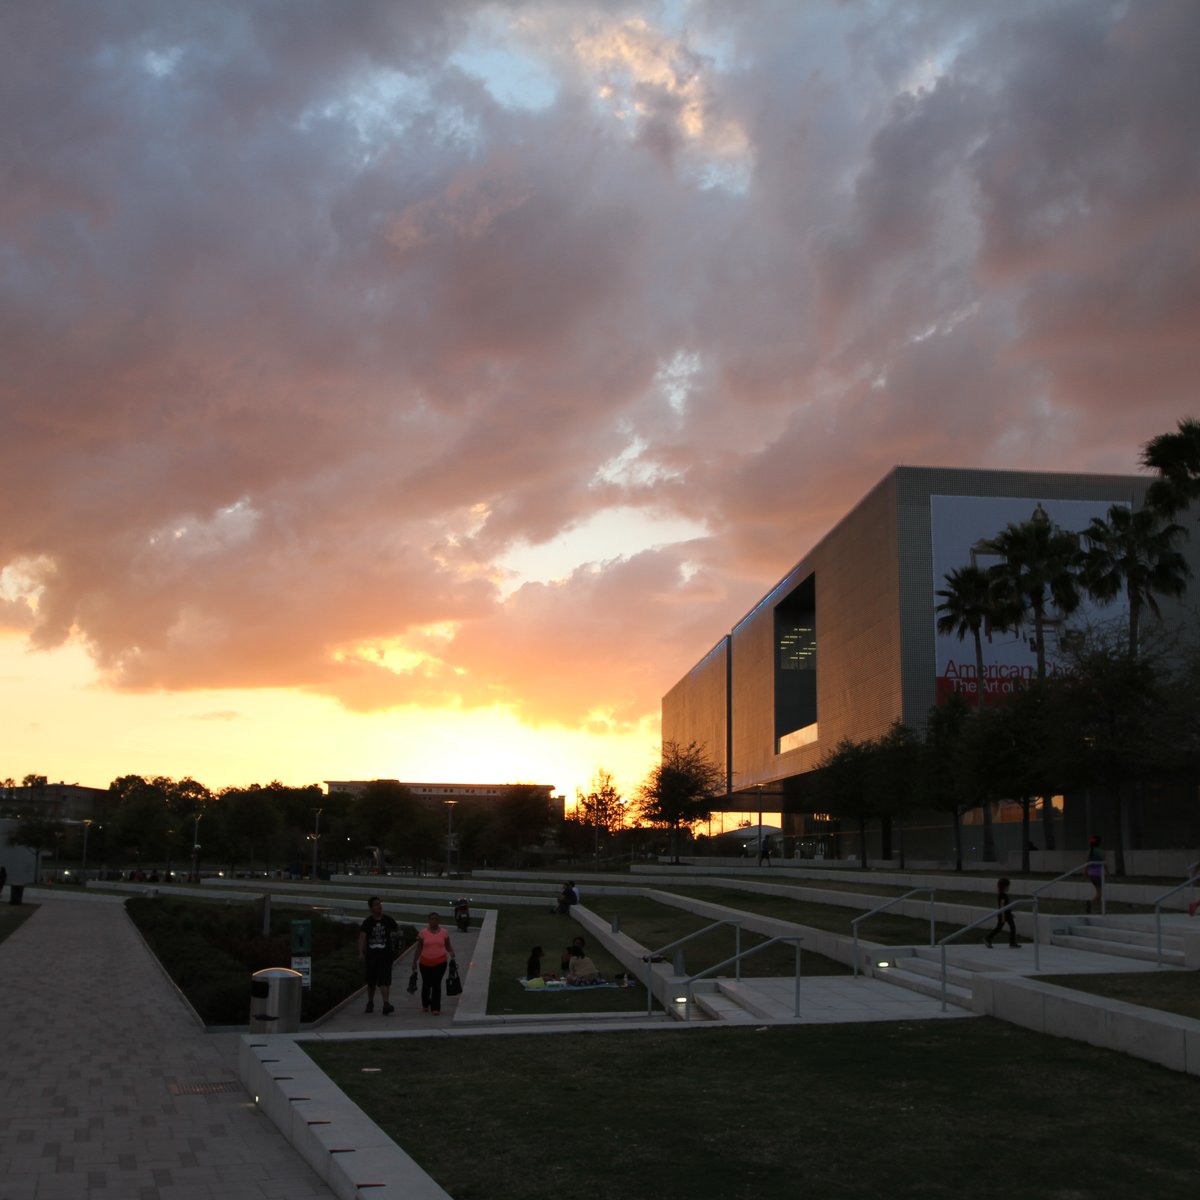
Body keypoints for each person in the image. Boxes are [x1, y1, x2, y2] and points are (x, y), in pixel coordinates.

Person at [358, 895, 399, 1015]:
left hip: (386, 955)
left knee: (385, 980)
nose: (379, 906)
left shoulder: (388, 920)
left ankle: (386, 1003)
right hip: (372, 956)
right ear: (371, 908)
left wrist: (397, 945)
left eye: (380, 903)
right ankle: (370, 1002)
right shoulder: (367, 923)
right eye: (376, 904)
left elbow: (397, 932)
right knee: (371, 982)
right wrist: (361, 952)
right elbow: (362, 938)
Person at [412, 911, 455, 1015]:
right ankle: (425, 1004)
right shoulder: (423, 933)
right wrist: (414, 961)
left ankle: (436, 1008)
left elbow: (448, 945)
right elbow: (419, 948)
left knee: (436, 984)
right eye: (432, 919)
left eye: (436, 919)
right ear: (429, 920)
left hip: (440, 962)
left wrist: (451, 953)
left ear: (439, 920)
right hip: (425, 963)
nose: (434, 921)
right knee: (426, 984)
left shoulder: (444, 932)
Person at [984, 877, 1019, 949]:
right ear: (1004, 886)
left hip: (1007, 914)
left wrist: (1010, 914)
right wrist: (1003, 917)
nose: (1008, 887)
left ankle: (1012, 943)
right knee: (999, 928)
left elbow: (1006, 905)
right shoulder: (1002, 895)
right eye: (1008, 886)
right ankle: (987, 938)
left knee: (1012, 927)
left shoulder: (1004, 894)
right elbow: (1002, 905)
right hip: (1003, 914)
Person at [1085, 836, 1104, 913]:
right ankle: (1091, 902)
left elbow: (1087, 863)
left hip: (1091, 874)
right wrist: (1108, 872)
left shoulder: (1090, 852)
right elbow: (1104, 863)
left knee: (1098, 891)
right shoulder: (1100, 852)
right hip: (1098, 874)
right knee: (1100, 892)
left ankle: (1099, 909)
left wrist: (1085, 873)